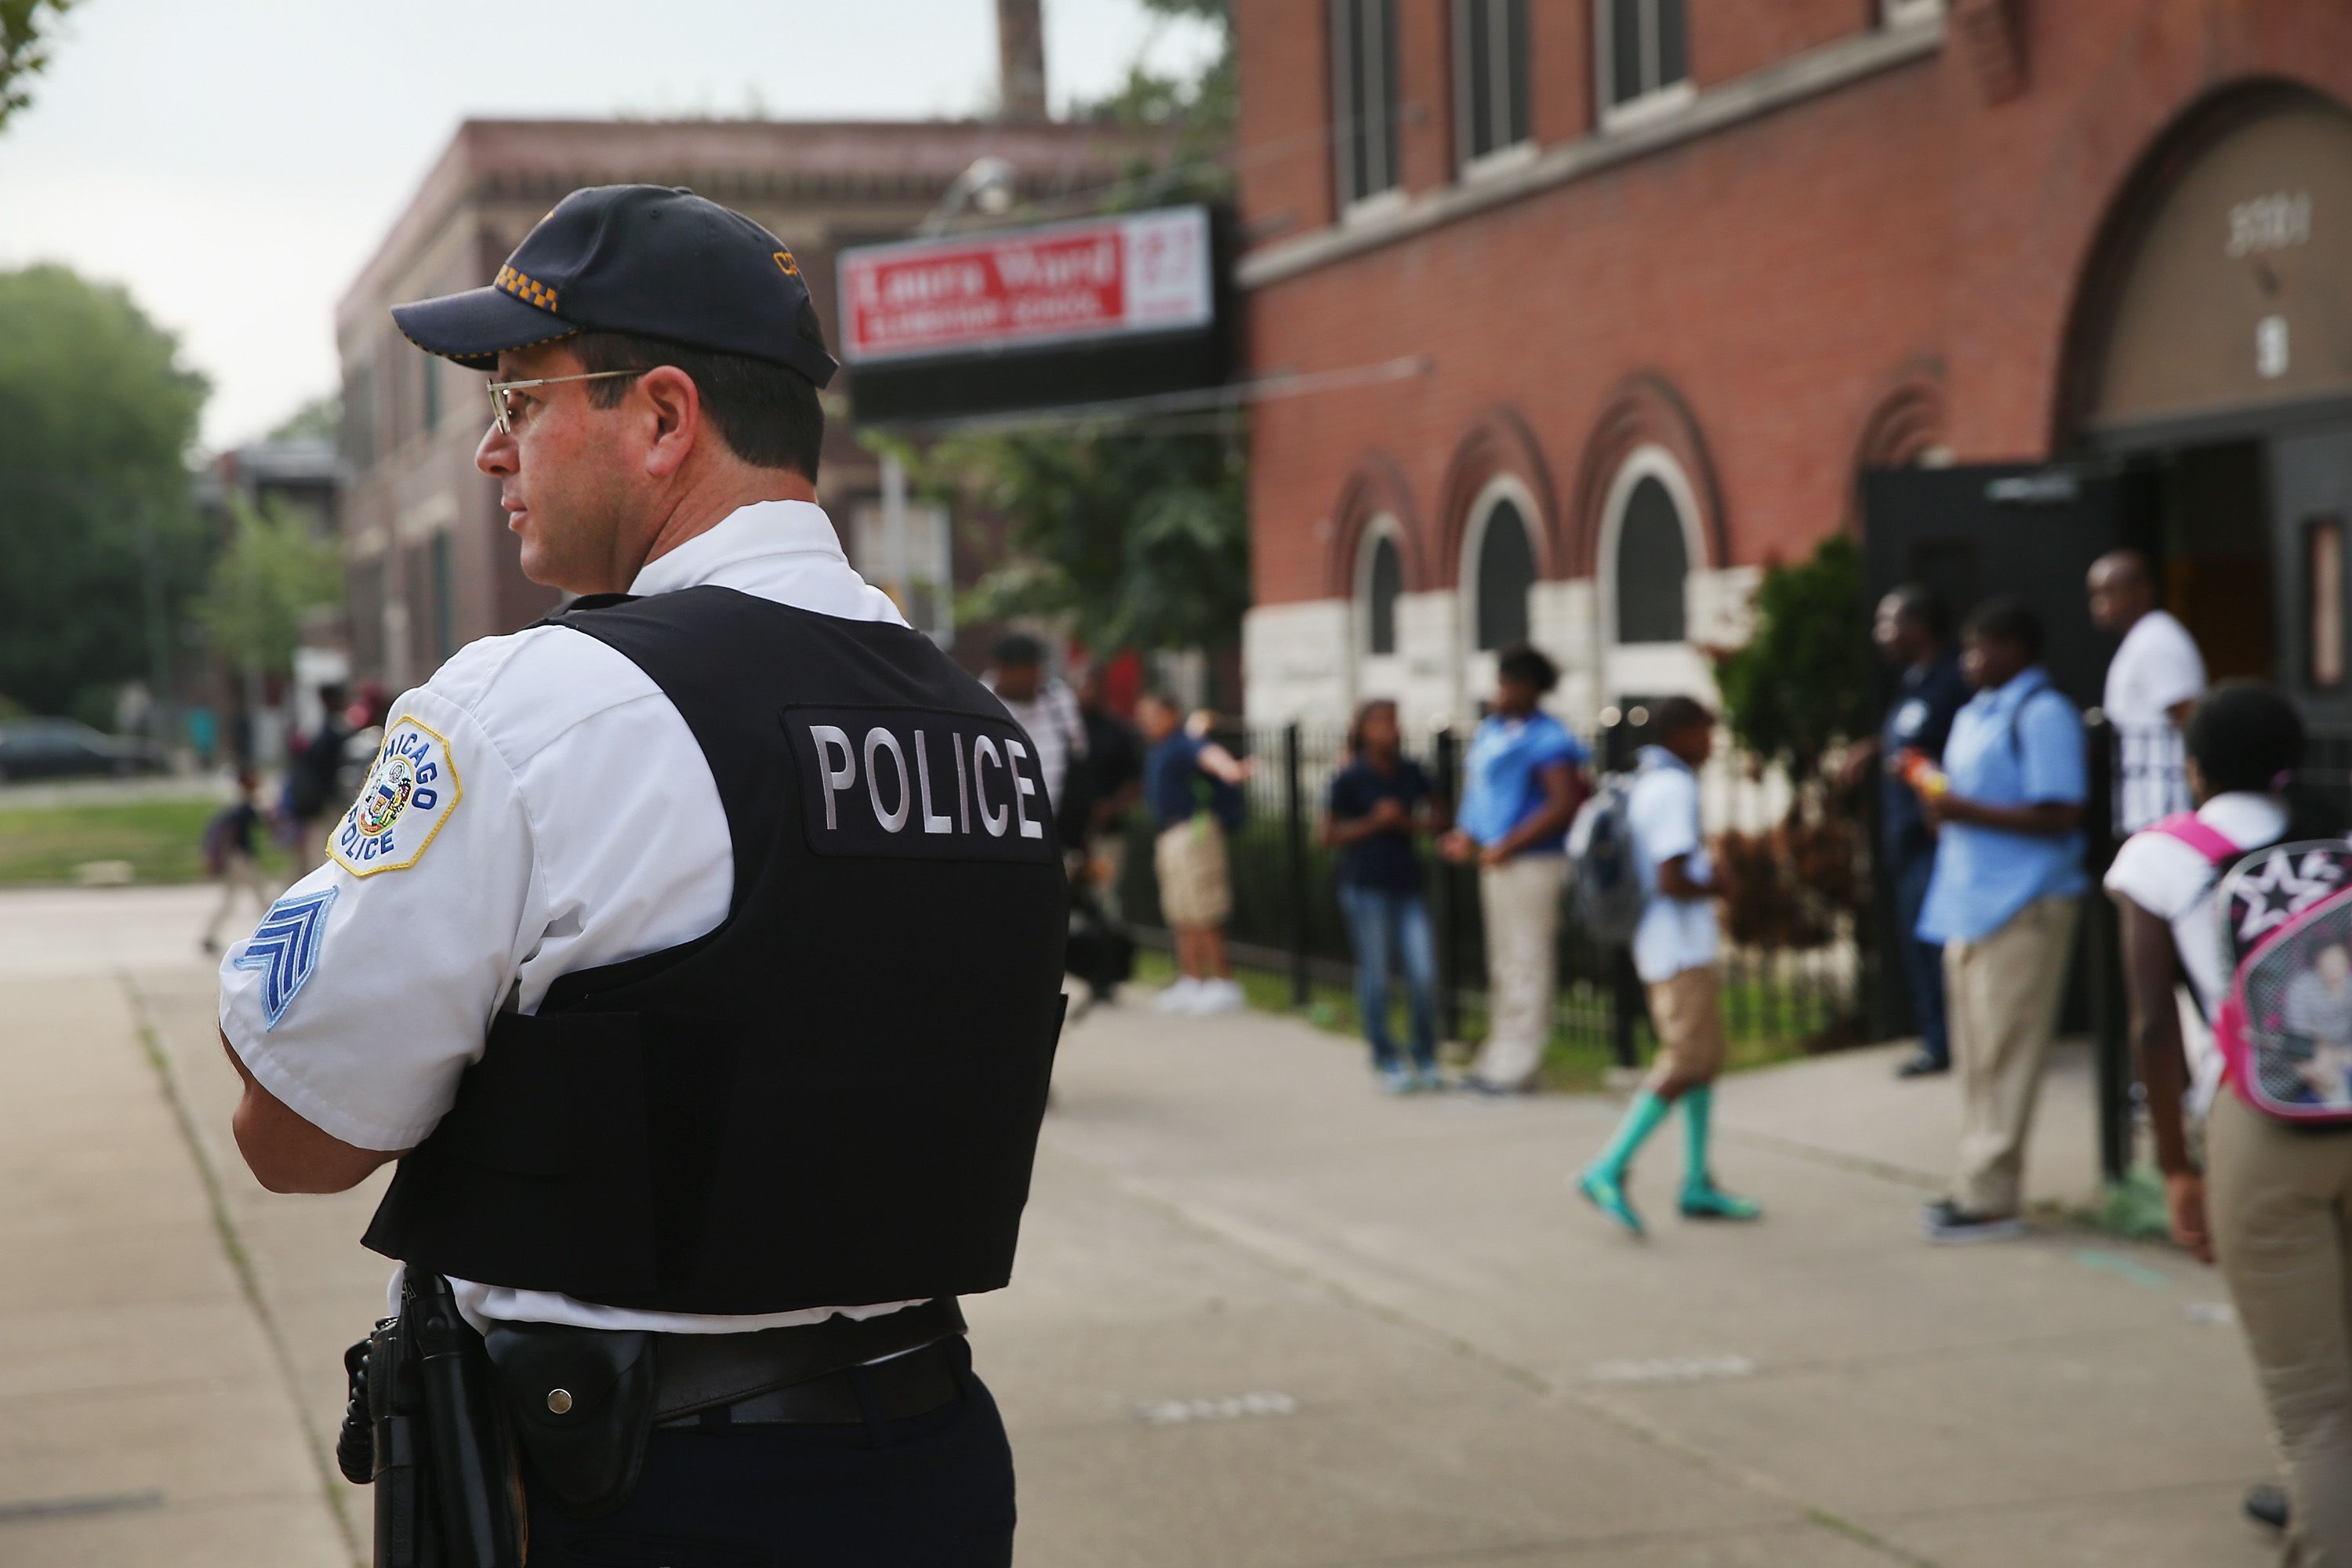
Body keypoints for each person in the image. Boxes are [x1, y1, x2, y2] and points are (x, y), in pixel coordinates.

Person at [214, 185, 1065, 1565]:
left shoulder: (538, 704)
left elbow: (295, 1133)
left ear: (664, 417)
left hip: (645, 1496)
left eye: (520, 399)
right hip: (935, 1465)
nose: (493, 452)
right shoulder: (977, 723)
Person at [2105, 681, 2352, 1559]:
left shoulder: (2167, 854)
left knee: (2314, 1406)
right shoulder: (2339, 837)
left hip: (2264, 1123)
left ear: (2195, 764)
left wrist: (2176, 1165)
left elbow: (2148, 1022)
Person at [1912, 597, 2089, 1243]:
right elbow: (1966, 802)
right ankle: (1974, 1179)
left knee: (2009, 1052)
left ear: (2013, 649)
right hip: (1969, 901)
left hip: (2026, 904)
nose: (1967, 661)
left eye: (1978, 648)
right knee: (1978, 1055)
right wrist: (1940, 801)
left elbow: (2062, 811)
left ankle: (1993, 1196)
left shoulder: (2043, 715)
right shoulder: (1973, 714)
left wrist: (1964, 811)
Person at [1575, 697, 1759, 1233]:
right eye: (1706, 734)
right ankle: (1607, 1167)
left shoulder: (1647, 780)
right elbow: (1671, 879)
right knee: (1686, 1060)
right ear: (1680, 733)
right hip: (1678, 946)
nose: (1711, 746)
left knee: (1703, 1060)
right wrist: (1720, 885)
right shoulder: (1673, 787)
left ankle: (1697, 1179)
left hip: (1667, 944)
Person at [1440, 644, 1588, 1094]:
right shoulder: (1493, 731)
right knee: (1503, 961)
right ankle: (1499, 1051)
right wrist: (1466, 834)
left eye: (1507, 683)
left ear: (1529, 688)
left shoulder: (1550, 739)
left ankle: (1520, 1061)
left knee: (1527, 958)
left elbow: (1563, 803)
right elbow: (1481, 793)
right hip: (1496, 859)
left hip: (1533, 861)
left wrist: (1510, 844)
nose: (1499, 692)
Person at [1842, 586, 1968, 1079]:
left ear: (1920, 626)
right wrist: (1875, 748)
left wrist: (1923, 779)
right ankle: (1935, 1039)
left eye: (1889, 622)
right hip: (1907, 843)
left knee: (1941, 949)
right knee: (1919, 948)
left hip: (1933, 842)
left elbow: (1945, 761)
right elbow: (1911, 743)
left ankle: (1947, 1043)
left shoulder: (1953, 681)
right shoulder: (1914, 683)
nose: (1881, 635)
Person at [1325, 699, 1443, 1093]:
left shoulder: (1411, 771)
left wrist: (1406, 823)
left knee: (1423, 973)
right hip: (1364, 886)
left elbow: (1440, 817)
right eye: (1378, 724)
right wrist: (1373, 823)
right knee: (1376, 976)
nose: (1387, 731)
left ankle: (1424, 1054)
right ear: (1362, 730)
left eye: (1392, 722)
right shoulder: (1350, 777)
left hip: (1407, 884)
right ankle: (1385, 1057)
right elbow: (1326, 835)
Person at [1138, 691, 1251, 1015]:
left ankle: (1222, 981)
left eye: (1153, 713)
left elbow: (1209, 754)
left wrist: (1229, 768)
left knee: (1204, 907)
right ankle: (1192, 979)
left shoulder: (1183, 742)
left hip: (1194, 833)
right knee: (1182, 910)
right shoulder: (1161, 749)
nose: (1147, 721)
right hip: (1170, 835)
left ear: (1172, 713)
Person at [2088, 549, 2207, 832]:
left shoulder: (2157, 639)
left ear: (2142, 592)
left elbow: (2189, 717)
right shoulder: (2141, 639)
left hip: (2168, 810)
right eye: (2095, 594)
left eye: (2110, 592)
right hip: (2148, 809)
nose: (2100, 604)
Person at [1063, 662, 1144, 915]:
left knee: (1103, 899)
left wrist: (1112, 806)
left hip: (1107, 834)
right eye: (1082, 686)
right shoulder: (1062, 730)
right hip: (1065, 832)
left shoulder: (1118, 731)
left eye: (1093, 686)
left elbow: (1135, 780)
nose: (1088, 692)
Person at [985, 632, 1086, 818]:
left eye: (1033, 669)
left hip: (1058, 821)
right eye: (1021, 672)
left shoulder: (1060, 702)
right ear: (1001, 670)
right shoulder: (981, 704)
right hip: (1007, 823)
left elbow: (1078, 754)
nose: (1029, 679)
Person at [280, 681, 351, 865]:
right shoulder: (331, 727)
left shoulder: (320, 725)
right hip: (323, 798)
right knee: (325, 845)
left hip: (317, 797)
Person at [197, 769, 267, 956]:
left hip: (234, 859)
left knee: (230, 900)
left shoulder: (237, 804)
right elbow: (265, 824)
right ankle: (274, 933)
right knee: (261, 896)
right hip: (240, 859)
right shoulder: (245, 806)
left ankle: (209, 936)